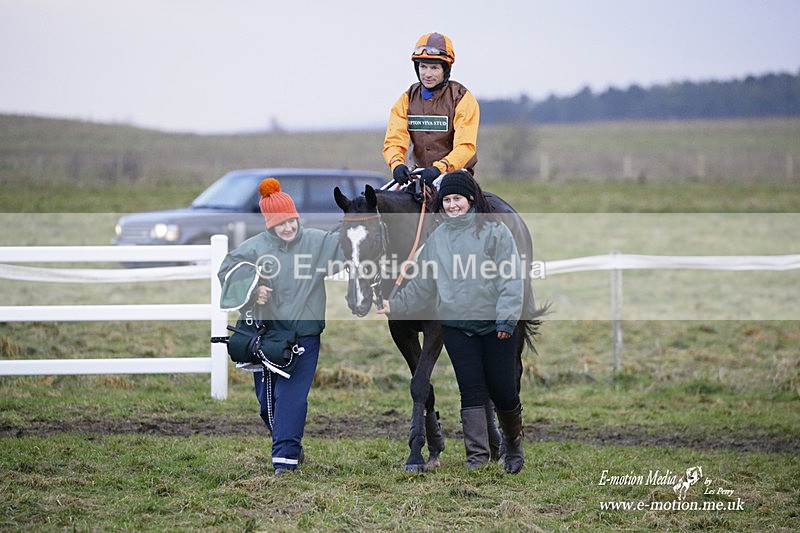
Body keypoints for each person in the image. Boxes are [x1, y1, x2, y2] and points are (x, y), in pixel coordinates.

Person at [376, 171, 527, 474]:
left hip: (495, 325)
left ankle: (512, 445)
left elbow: (512, 279)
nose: (452, 205)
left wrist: (507, 320)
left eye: (457, 198)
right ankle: (478, 457)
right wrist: (397, 304)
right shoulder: (437, 239)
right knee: (469, 390)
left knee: (503, 390)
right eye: (447, 200)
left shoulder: (496, 233)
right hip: (458, 326)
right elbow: (422, 285)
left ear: (470, 199)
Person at [217, 178, 342, 475]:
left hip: (304, 335)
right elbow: (227, 272)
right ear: (269, 225)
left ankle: (284, 462)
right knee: (267, 405)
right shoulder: (254, 247)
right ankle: (290, 448)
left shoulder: (318, 242)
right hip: (267, 336)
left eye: (291, 221)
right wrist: (254, 289)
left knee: (292, 398)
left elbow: (351, 247)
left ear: (297, 216)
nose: (288, 228)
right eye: (280, 224)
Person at [383, 32, 480, 188]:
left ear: (445, 70)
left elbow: (465, 146)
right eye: (423, 67)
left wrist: (439, 168)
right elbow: (394, 140)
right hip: (417, 174)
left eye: (434, 68)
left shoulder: (462, 98)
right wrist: (397, 164)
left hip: (454, 175)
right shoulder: (406, 99)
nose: (427, 74)